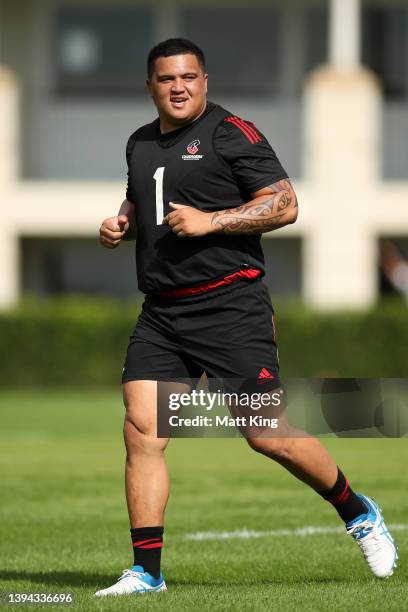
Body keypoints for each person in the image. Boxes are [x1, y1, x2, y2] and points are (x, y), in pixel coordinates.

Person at [95, 39, 397, 596]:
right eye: (166, 79)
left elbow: (284, 203)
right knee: (142, 431)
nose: (178, 87)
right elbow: (147, 209)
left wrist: (215, 222)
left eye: (188, 77)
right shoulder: (139, 142)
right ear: (151, 87)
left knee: (267, 435)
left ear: (205, 81)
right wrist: (122, 225)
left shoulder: (233, 133)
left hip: (231, 308)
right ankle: (147, 573)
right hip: (161, 313)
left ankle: (358, 510)